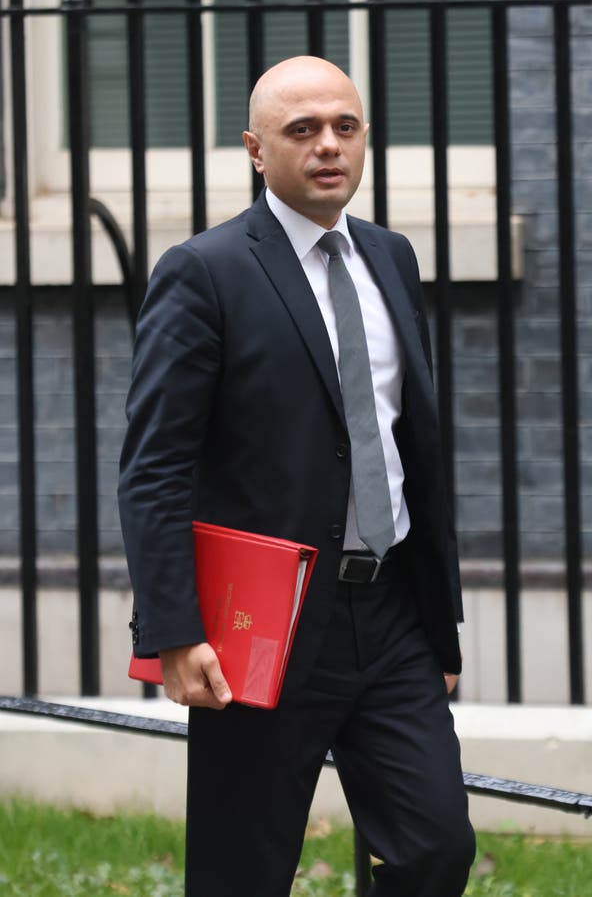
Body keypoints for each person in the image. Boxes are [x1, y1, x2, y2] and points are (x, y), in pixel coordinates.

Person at [118, 55, 475, 897]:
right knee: (242, 872)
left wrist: (441, 620)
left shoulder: (390, 257)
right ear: (254, 149)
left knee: (436, 847)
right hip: (262, 623)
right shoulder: (206, 272)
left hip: (391, 618)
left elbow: (410, 448)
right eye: (302, 130)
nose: (328, 147)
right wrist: (173, 630)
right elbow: (154, 465)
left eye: (345, 128)